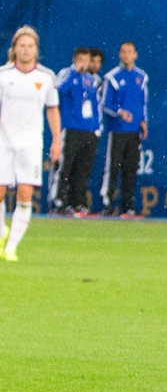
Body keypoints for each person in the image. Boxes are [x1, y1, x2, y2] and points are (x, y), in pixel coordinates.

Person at [0, 27, 62, 261]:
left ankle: (11, 248)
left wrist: (56, 140)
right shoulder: (3, 75)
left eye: (30, 46)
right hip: (3, 142)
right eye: (22, 46)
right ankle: (1, 231)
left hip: (31, 143)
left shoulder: (46, 77)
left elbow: (52, 109)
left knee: (24, 193)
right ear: (14, 49)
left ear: (36, 50)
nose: (26, 50)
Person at [100, 41, 147, 218]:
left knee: (131, 169)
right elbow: (105, 104)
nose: (126, 55)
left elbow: (143, 102)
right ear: (120, 54)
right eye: (123, 52)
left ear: (135, 55)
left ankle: (128, 207)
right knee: (112, 168)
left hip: (134, 131)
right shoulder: (112, 77)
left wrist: (144, 121)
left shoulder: (141, 77)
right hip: (117, 130)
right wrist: (120, 112)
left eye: (130, 52)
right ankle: (107, 204)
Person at [53, 46, 102, 215]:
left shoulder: (91, 80)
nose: (83, 63)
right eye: (80, 60)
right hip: (71, 128)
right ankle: (59, 201)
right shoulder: (65, 73)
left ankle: (78, 202)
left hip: (88, 130)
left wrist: (96, 128)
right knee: (65, 167)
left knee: (83, 169)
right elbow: (59, 91)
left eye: (86, 60)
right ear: (74, 60)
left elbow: (95, 105)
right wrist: (74, 72)